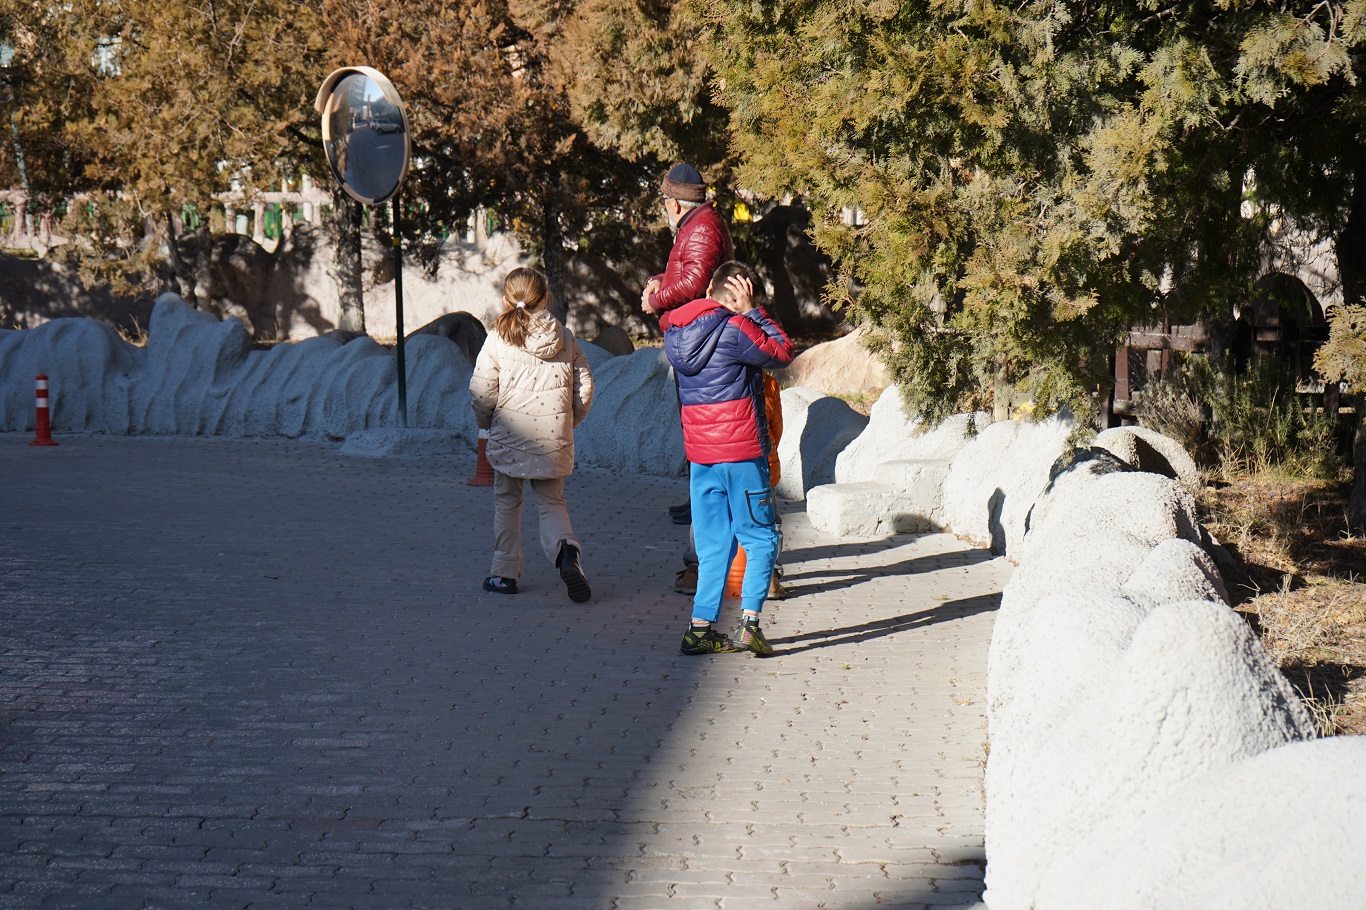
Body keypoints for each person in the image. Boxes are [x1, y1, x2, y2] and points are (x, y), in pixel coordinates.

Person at [662, 261, 795, 655]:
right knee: (762, 538)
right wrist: (753, 311)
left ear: (710, 292)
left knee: (713, 546)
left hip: (702, 459)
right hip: (742, 455)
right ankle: (750, 625)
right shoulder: (737, 328)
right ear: (739, 293)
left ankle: (699, 630)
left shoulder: (676, 332)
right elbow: (783, 352)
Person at [469, 267, 594, 603]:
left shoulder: (497, 337)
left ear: (506, 301)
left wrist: (486, 422)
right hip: (552, 440)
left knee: (507, 503)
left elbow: (482, 390)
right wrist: (568, 422)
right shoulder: (565, 337)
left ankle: (503, 574)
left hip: (509, 436)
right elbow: (584, 388)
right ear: (546, 298)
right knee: (551, 503)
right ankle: (566, 552)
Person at [642, 163, 735, 526]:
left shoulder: (702, 229)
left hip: (700, 336)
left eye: (665, 200)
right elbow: (684, 272)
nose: (664, 206)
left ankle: (709, 501)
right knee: (693, 421)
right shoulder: (695, 225)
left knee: (702, 422)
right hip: (693, 335)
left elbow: (695, 282)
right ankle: (701, 496)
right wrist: (657, 280)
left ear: (675, 203)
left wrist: (656, 300)